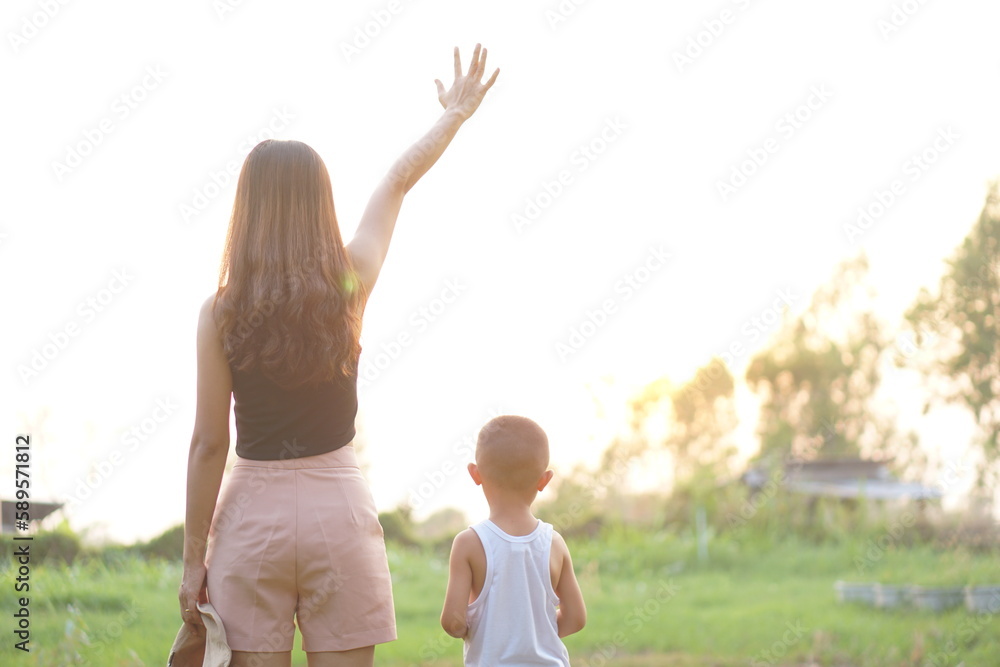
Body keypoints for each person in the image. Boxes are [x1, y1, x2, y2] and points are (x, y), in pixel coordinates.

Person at [178, 44, 499, 667]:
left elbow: (208, 444)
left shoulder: (220, 312)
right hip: (337, 511)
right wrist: (452, 116)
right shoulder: (349, 280)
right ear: (319, 203)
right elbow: (396, 181)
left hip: (251, 520)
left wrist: (194, 562)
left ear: (248, 211)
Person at [441, 415, 587, 666]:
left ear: (475, 474)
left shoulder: (468, 543)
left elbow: (453, 623)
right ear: (545, 480)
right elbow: (575, 618)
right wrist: (534, 636)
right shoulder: (554, 543)